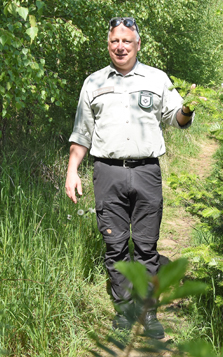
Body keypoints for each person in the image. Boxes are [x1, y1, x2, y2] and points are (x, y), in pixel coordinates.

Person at [65, 17, 194, 339]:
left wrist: (189, 108)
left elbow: (177, 120)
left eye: (126, 41)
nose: (120, 47)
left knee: (147, 247)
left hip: (147, 171)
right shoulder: (93, 82)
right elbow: (81, 132)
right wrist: (72, 171)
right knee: (115, 246)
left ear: (138, 44)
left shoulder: (157, 78)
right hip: (107, 173)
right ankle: (124, 312)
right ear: (108, 45)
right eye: (114, 41)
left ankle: (149, 312)